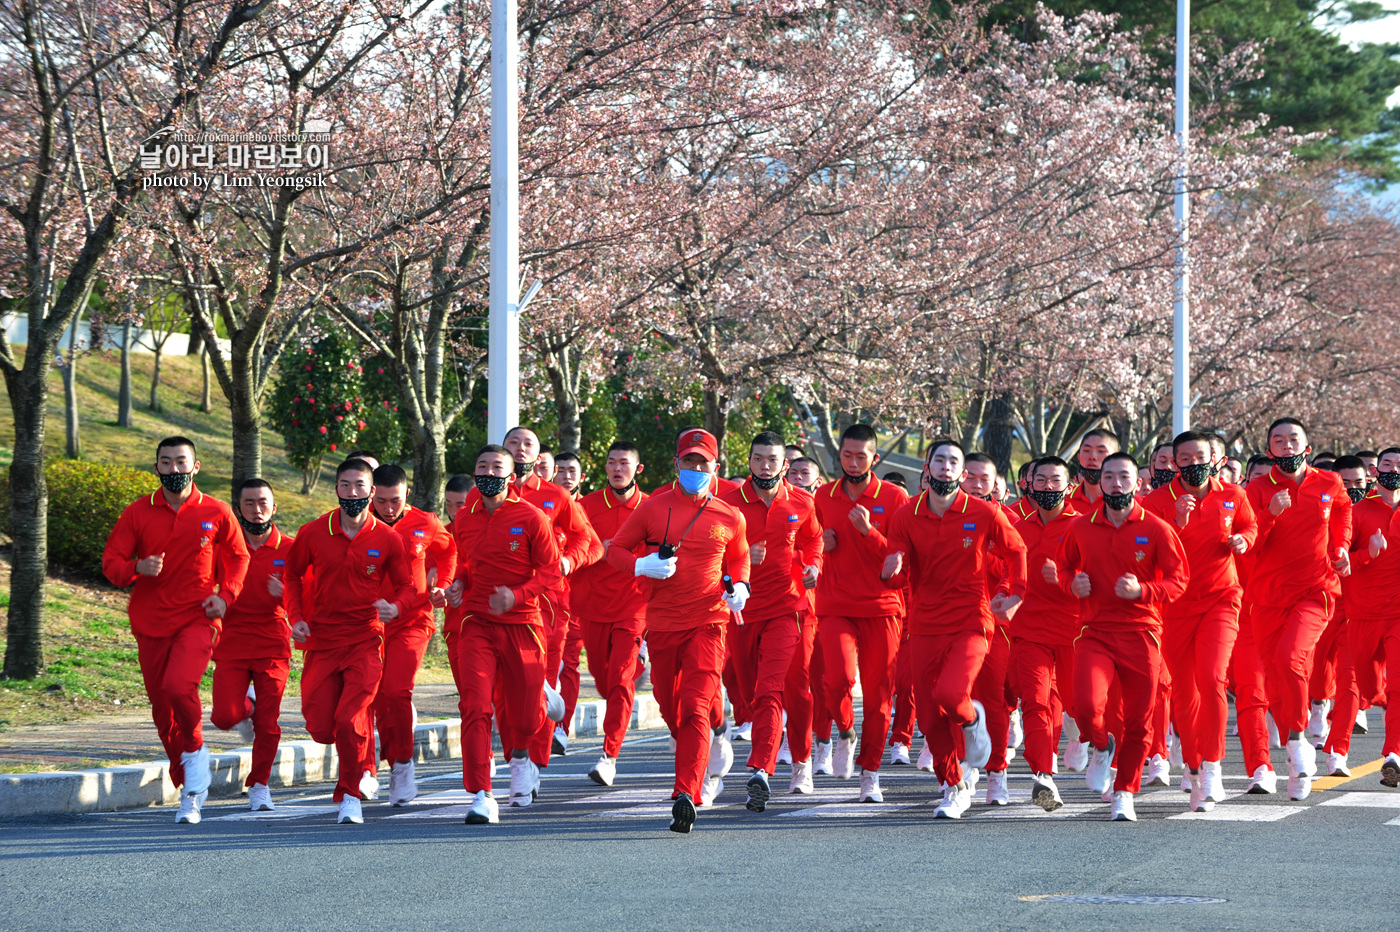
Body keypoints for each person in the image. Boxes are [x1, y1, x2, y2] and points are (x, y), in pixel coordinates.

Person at [607, 428, 750, 833]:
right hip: (663, 625)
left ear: (715, 468)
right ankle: (718, 724)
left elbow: (739, 560)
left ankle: (686, 792)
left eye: (702, 462)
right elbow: (615, 551)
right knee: (673, 711)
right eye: (688, 460)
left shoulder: (729, 515)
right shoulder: (653, 508)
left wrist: (740, 587)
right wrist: (641, 565)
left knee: (693, 707)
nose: (695, 467)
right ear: (676, 464)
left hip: (709, 622)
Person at [102, 436, 250, 825]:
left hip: (199, 616)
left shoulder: (216, 511)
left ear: (195, 467)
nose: (174, 469)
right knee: (162, 710)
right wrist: (138, 567)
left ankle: (196, 759)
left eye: (181, 462)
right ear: (157, 468)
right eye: (165, 462)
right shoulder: (138, 512)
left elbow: (239, 557)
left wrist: (226, 596)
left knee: (178, 686)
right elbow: (111, 562)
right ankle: (189, 783)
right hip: (151, 623)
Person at [881, 439, 1027, 818]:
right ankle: (953, 785)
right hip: (925, 623)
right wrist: (891, 572)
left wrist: (1014, 592)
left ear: (962, 474)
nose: (945, 467)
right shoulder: (906, 514)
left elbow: (1016, 551)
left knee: (951, 692)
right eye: (939, 460)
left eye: (953, 462)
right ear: (926, 468)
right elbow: (898, 574)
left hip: (971, 620)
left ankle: (972, 720)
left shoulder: (982, 512)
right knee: (928, 717)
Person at [1046, 451, 1189, 822]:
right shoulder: (1080, 527)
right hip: (1095, 632)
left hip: (1143, 634)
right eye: (1108, 476)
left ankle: (1125, 791)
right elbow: (1063, 569)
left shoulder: (1156, 528)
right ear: (1098, 481)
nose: (1115, 483)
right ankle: (1100, 744)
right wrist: (1071, 583)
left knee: (1140, 722)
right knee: (1086, 705)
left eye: (1123, 476)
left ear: (1137, 483)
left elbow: (1178, 581)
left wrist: (1142, 591)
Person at [284, 458, 415, 825]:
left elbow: (407, 586)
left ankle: (350, 795)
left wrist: (396, 606)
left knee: (348, 719)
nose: (352, 492)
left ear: (372, 493)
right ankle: (360, 744)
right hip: (322, 640)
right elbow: (292, 575)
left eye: (360, 486)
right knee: (321, 725)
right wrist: (296, 618)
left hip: (365, 640)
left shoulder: (388, 538)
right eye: (345, 485)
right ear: (337, 488)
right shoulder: (313, 532)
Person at [444, 445, 562, 823]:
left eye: (497, 467)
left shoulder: (531, 518)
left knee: (526, 721)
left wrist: (517, 594)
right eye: (482, 466)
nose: (488, 472)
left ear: (512, 477)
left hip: (524, 625)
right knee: (475, 706)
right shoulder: (465, 518)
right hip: (477, 623)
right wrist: (459, 584)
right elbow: (465, 562)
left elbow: (550, 573)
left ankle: (528, 738)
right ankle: (481, 794)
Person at [1142, 431, 1257, 812]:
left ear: (1215, 458)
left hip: (1222, 599)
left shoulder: (1232, 494)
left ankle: (1212, 766)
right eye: (1186, 458)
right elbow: (1149, 555)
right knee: (1184, 693)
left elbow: (1250, 526)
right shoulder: (1156, 502)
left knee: (1212, 678)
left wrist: (1243, 539)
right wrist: (1177, 521)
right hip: (1173, 607)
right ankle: (1191, 764)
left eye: (1201, 456)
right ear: (1175, 463)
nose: (1194, 463)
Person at [1244, 418, 1352, 800]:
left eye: (1293, 440)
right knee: (1275, 675)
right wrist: (1270, 512)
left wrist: (1340, 547)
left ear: (1306, 446)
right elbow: (1249, 544)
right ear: (1269, 449)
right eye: (1278, 441)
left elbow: (1342, 512)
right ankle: (1295, 745)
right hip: (1267, 597)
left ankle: (1298, 738)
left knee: (1292, 658)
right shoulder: (1257, 489)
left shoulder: (1329, 482)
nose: (1286, 445)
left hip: (1316, 590)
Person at [721, 432, 822, 810]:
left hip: (789, 609)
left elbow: (813, 542)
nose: (766, 465)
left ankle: (771, 768)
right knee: (747, 689)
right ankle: (777, 758)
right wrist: (744, 557)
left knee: (774, 689)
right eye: (758, 458)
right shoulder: (727, 503)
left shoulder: (801, 502)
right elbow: (710, 554)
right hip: (742, 611)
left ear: (785, 464)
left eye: (772, 459)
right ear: (749, 460)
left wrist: (813, 566)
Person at [811, 424, 909, 782]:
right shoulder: (822, 496)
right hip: (836, 604)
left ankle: (870, 771)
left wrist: (870, 533)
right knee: (835, 680)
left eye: (861, 456)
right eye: (847, 455)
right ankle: (846, 732)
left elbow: (901, 557)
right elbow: (806, 546)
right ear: (839, 456)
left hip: (882, 607)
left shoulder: (896, 498)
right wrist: (821, 544)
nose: (853, 462)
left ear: (875, 458)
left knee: (880, 698)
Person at [502, 427, 603, 763]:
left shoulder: (556, 496)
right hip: (500, 603)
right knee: (505, 687)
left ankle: (534, 760)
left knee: (542, 678)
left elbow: (590, 543)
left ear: (538, 455)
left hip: (547, 603)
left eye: (527, 444)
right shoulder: (484, 495)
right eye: (513, 443)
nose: (519, 449)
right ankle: (515, 756)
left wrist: (568, 561)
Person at [368, 463, 455, 806]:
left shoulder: (426, 522)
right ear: (372, 495)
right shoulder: (359, 525)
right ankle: (375, 763)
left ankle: (402, 766)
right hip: (368, 625)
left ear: (408, 494)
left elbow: (449, 551)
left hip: (413, 621)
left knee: (397, 690)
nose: (389, 508)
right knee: (373, 696)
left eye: (396, 501)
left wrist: (443, 583)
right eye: (383, 501)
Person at [209, 479, 294, 813]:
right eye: (249, 504)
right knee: (224, 716)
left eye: (263, 503)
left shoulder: (291, 549)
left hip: (273, 643)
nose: (257, 511)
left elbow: (312, 597)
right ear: (237, 508)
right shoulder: (225, 548)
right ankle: (248, 705)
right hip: (232, 642)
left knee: (269, 723)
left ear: (274, 508)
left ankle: (259, 785)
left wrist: (285, 595)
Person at [572, 442, 651, 786]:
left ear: (638, 469)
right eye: (611, 463)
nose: (617, 469)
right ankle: (641, 666)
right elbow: (573, 546)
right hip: (592, 605)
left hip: (634, 605)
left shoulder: (652, 507)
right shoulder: (585, 506)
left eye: (624, 463)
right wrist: (595, 551)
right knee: (605, 681)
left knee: (619, 679)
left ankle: (609, 756)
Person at [1009, 457, 1082, 810]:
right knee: (1036, 702)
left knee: (1076, 705)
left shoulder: (1084, 527)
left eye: (1056, 480)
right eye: (1041, 480)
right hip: (1029, 629)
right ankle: (1043, 775)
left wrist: (1066, 581)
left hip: (1074, 630)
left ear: (1070, 486)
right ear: (1029, 484)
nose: (1048, 487)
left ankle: (1086, 742)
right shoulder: (1017, 527)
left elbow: (1097, 579)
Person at [1322, 453, 1397, 777]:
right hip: (1360, 614)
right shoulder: (1357, 511)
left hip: (1397, 615)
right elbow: (1338, 563)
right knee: (1359, 689)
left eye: (1399, 465)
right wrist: (1370, 553)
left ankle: (1392, 753)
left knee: (1397, 685)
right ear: (1375, 470)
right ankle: (1337, 741)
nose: (1393, 470)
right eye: (1388, 464)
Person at [959, 452, 1018, 805]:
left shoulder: (1004, 519)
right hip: (950, 621)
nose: (979, 484)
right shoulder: (942, 515)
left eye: (986, 479)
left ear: (996, 483)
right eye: (973, 477)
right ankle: (961, 768)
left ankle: (997, 771)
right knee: (955, 698)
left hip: (994, 622)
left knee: (993, 699)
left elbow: (1015, 565)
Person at [441, 474, 475, 695]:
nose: (453, 512)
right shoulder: (441, 535)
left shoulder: (490, 531)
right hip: (455, 629)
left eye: (460, 505)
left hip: (488, 626)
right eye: (448, 505)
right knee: (468, 699)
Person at [1068, 428, 1120, 512]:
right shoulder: (1063, 505)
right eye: (1087, 450)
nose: (1092, 456)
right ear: (1079, 457)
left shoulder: (1132, 504)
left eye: (1101, 451)